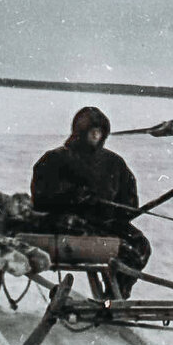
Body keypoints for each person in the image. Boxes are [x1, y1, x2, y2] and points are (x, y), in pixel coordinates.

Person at [31, 106, 150, 298]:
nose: (96, 135)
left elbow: (128, 200)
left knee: (139, 246)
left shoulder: (114, 163)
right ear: (80, 132)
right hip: (67, 226)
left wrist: (126, 210)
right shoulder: (55, 159)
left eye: (100, 131)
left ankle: (115, 295)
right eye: (91, 131)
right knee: (109, 242)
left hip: (104, 225)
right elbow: (40, 197)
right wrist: (74, 197)